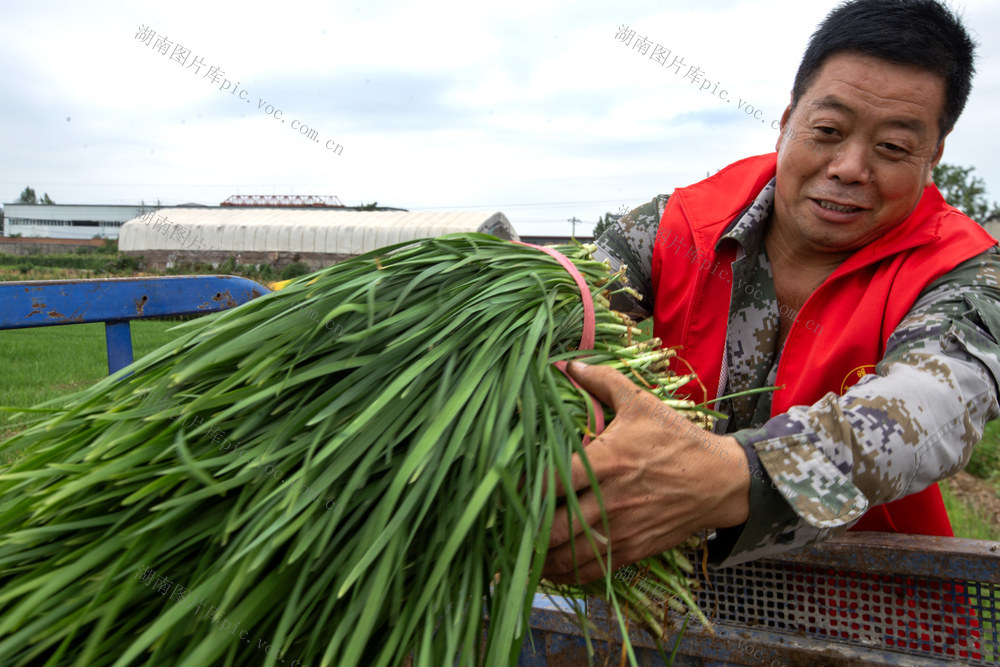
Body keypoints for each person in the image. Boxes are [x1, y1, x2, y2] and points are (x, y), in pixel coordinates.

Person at [543, 0, 1000, 585]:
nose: (849, 167)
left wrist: (738, 474)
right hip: (645, 603)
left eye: (892, 148)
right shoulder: (675, 229)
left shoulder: (962, 272)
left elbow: (932, 410)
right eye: (828, 131)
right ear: (787, 120)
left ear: (933, 156)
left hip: (861, 626)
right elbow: (565, 316)